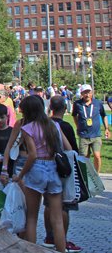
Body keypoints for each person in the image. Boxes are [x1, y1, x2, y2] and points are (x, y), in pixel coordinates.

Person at [12, 95, 72, 253]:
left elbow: (32, 155)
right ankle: (61, 250)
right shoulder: (54, 126)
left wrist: (20, 175)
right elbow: (68, 148)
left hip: (36, 169)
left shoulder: (28, 128)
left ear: (28, 112)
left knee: (31, 217)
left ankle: (32, 250)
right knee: (57, 219)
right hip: (54, 168)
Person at [42, 95, 81, 253]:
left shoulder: (45, 125)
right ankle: (61, 238)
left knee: (48, 203)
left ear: (50, 107)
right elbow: (72, 150)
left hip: (47, 167)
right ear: (65, 108)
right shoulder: (65, 126)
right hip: (64, 169)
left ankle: (49, 235)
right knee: (65, 205)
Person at [72, 84, 110, 173]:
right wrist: (78, 126)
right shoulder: (77, 104)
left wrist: (107, 128)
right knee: (84, 157)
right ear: (81, 93)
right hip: (83, 135)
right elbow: (74, 115)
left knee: (97, 155)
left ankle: (97, 174)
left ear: (92, 93)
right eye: (85, 93)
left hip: (96, 134)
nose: (87, 95)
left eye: (89, 92)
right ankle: (85, 175)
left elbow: (104, 115)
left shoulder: (98, 103)